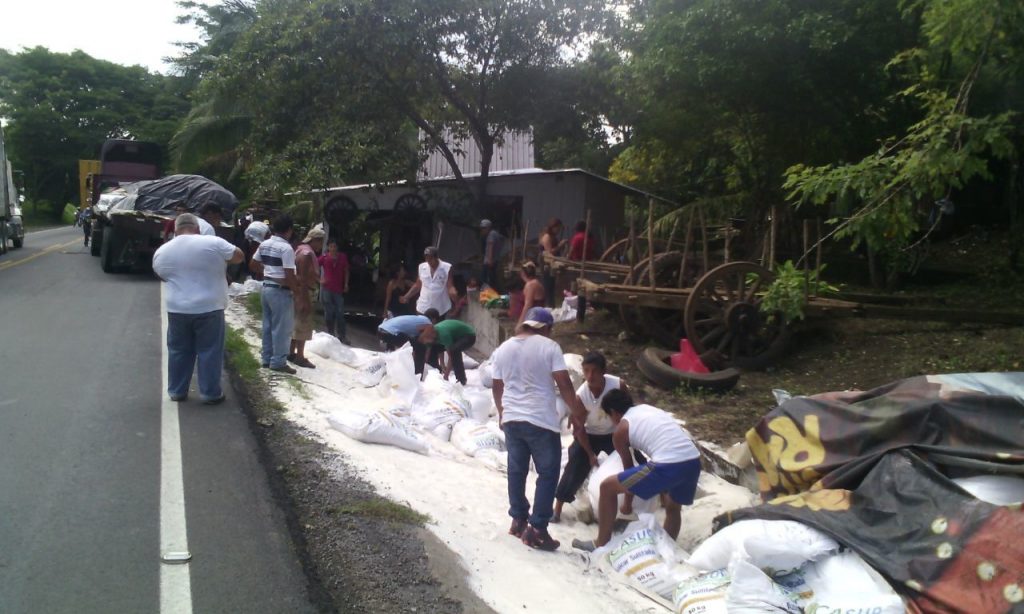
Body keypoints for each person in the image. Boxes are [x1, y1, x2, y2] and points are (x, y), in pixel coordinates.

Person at [572, 389, 701, 552]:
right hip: (693, 460)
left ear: (613, 412)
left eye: (609, 416)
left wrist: (627, 504)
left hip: (667, 464)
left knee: (607, 487)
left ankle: (600, 543)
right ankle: (667, 549)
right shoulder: (647, 409)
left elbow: (628, 468)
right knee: (673, 507)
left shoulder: (621, 431)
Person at [491, 306, 577, 551]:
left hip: (512, 418)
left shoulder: (504, 348)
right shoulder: (549, 347)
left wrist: (502, 412)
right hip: (540, 420)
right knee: (548, 474)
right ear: (546, 327)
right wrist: (577, 413)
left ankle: (518, 520)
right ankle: (538, 529)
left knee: (516, 471)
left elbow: (497, 386)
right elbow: (564, 384)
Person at [152, 213, 244, 404]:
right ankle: (210, 393)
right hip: (209, 307)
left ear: (175, 231)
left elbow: (161, 275)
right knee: (209, 350)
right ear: (198, 229)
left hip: (177, 309)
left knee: (178, 350)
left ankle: (177, 391)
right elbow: (239, 256)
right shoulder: (213, 242)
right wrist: (217, 264)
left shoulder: (163, 251)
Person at [552, 352, 630, 522]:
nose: (590, 376)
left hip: (614, 434)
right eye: (586, 371)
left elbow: (628, 413)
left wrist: (624, 440)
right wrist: (590, 454)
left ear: (604, 371)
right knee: (575, 465)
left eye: (594, 371)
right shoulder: (582, 396)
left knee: (633, 460)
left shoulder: (617, 385)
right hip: (590, 435)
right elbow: (579, 429)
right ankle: (557, 509)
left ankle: (645, 499)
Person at [251, 214, 299, 374]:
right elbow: (289, 274)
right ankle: (278, 361)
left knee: (267, 325)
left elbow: (253, 264)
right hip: (280, 291)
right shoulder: (286, 248)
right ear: (289, 230)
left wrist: (267, 272)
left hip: (266, 288)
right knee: (282, 328)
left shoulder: (264, 244)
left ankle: (266, 358)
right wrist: (297, 293)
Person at [289, 226, 324, 369]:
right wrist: (304, 299)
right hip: (305, 291)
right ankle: (299, 356)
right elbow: (303, 278)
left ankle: (291, 352)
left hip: (301, 291)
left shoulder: (300, 250)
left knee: (296, 323)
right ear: (316, 240)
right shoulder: (306, 254)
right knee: (303, 324)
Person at [377, 309, 440, 375]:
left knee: (403, 346)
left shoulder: (419, 319)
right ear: (434, 319)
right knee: (421, 348)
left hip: (381, 330)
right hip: (390, 333)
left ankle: (386, 367)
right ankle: (418, 375)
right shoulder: (428, 323)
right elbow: (421, 340)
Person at [401, 246, 456, 318]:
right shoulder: (422, 267)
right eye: (426, 258)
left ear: (436, 257)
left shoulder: (447, 268)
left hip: (440, 308)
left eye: (430, 258)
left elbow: (450, 286)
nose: (428, 261)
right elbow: (417, 285)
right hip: (423, 307)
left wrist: (455, 299)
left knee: (437, 328)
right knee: (422, 327)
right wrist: (406, 296)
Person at [318, 238, 350, 343]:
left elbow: (346, 271)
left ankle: (342, 335)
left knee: (340, 313)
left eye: (334, 246)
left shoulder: (342, 257)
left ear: (337, 247)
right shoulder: (324, 257)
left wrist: (346, 284)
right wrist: (319, 279)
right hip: (327, 288)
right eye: (331, 246)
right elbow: (314, 266)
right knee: (329, 312)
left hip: (338, 289)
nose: (333, 248)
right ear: (328, 247)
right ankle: (330, 334)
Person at [431, 319, 476, 385]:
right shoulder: (435, 333)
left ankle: (461, 379)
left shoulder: (443, 334)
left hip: (469, 336)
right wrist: (442, 365)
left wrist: (446, 376)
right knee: (451, 349)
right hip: (457, 336)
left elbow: (451, 357)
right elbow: (440, 349)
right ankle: (460, 378)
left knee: (454, 351)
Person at [480, 219, 504, 289]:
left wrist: (490, 260)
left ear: (488, 227)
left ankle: (488, 295)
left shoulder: (491, 235)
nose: (482, 230)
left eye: (484, 228)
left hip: (489, 262)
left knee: (485, 280)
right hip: (495, 260)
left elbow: (490, 246)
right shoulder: (496, 234)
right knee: (493, 280)